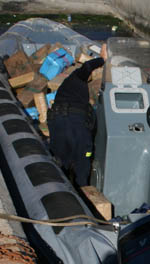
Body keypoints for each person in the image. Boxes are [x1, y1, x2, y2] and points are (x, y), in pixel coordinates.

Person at [48, 51, 106, 187]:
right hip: (75, 126)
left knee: (60, 165)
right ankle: (83, 193)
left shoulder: (68, 85)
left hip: (58, 124)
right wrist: (103, 60)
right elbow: (87, 67)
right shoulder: (77, 78)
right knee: (82, 165)